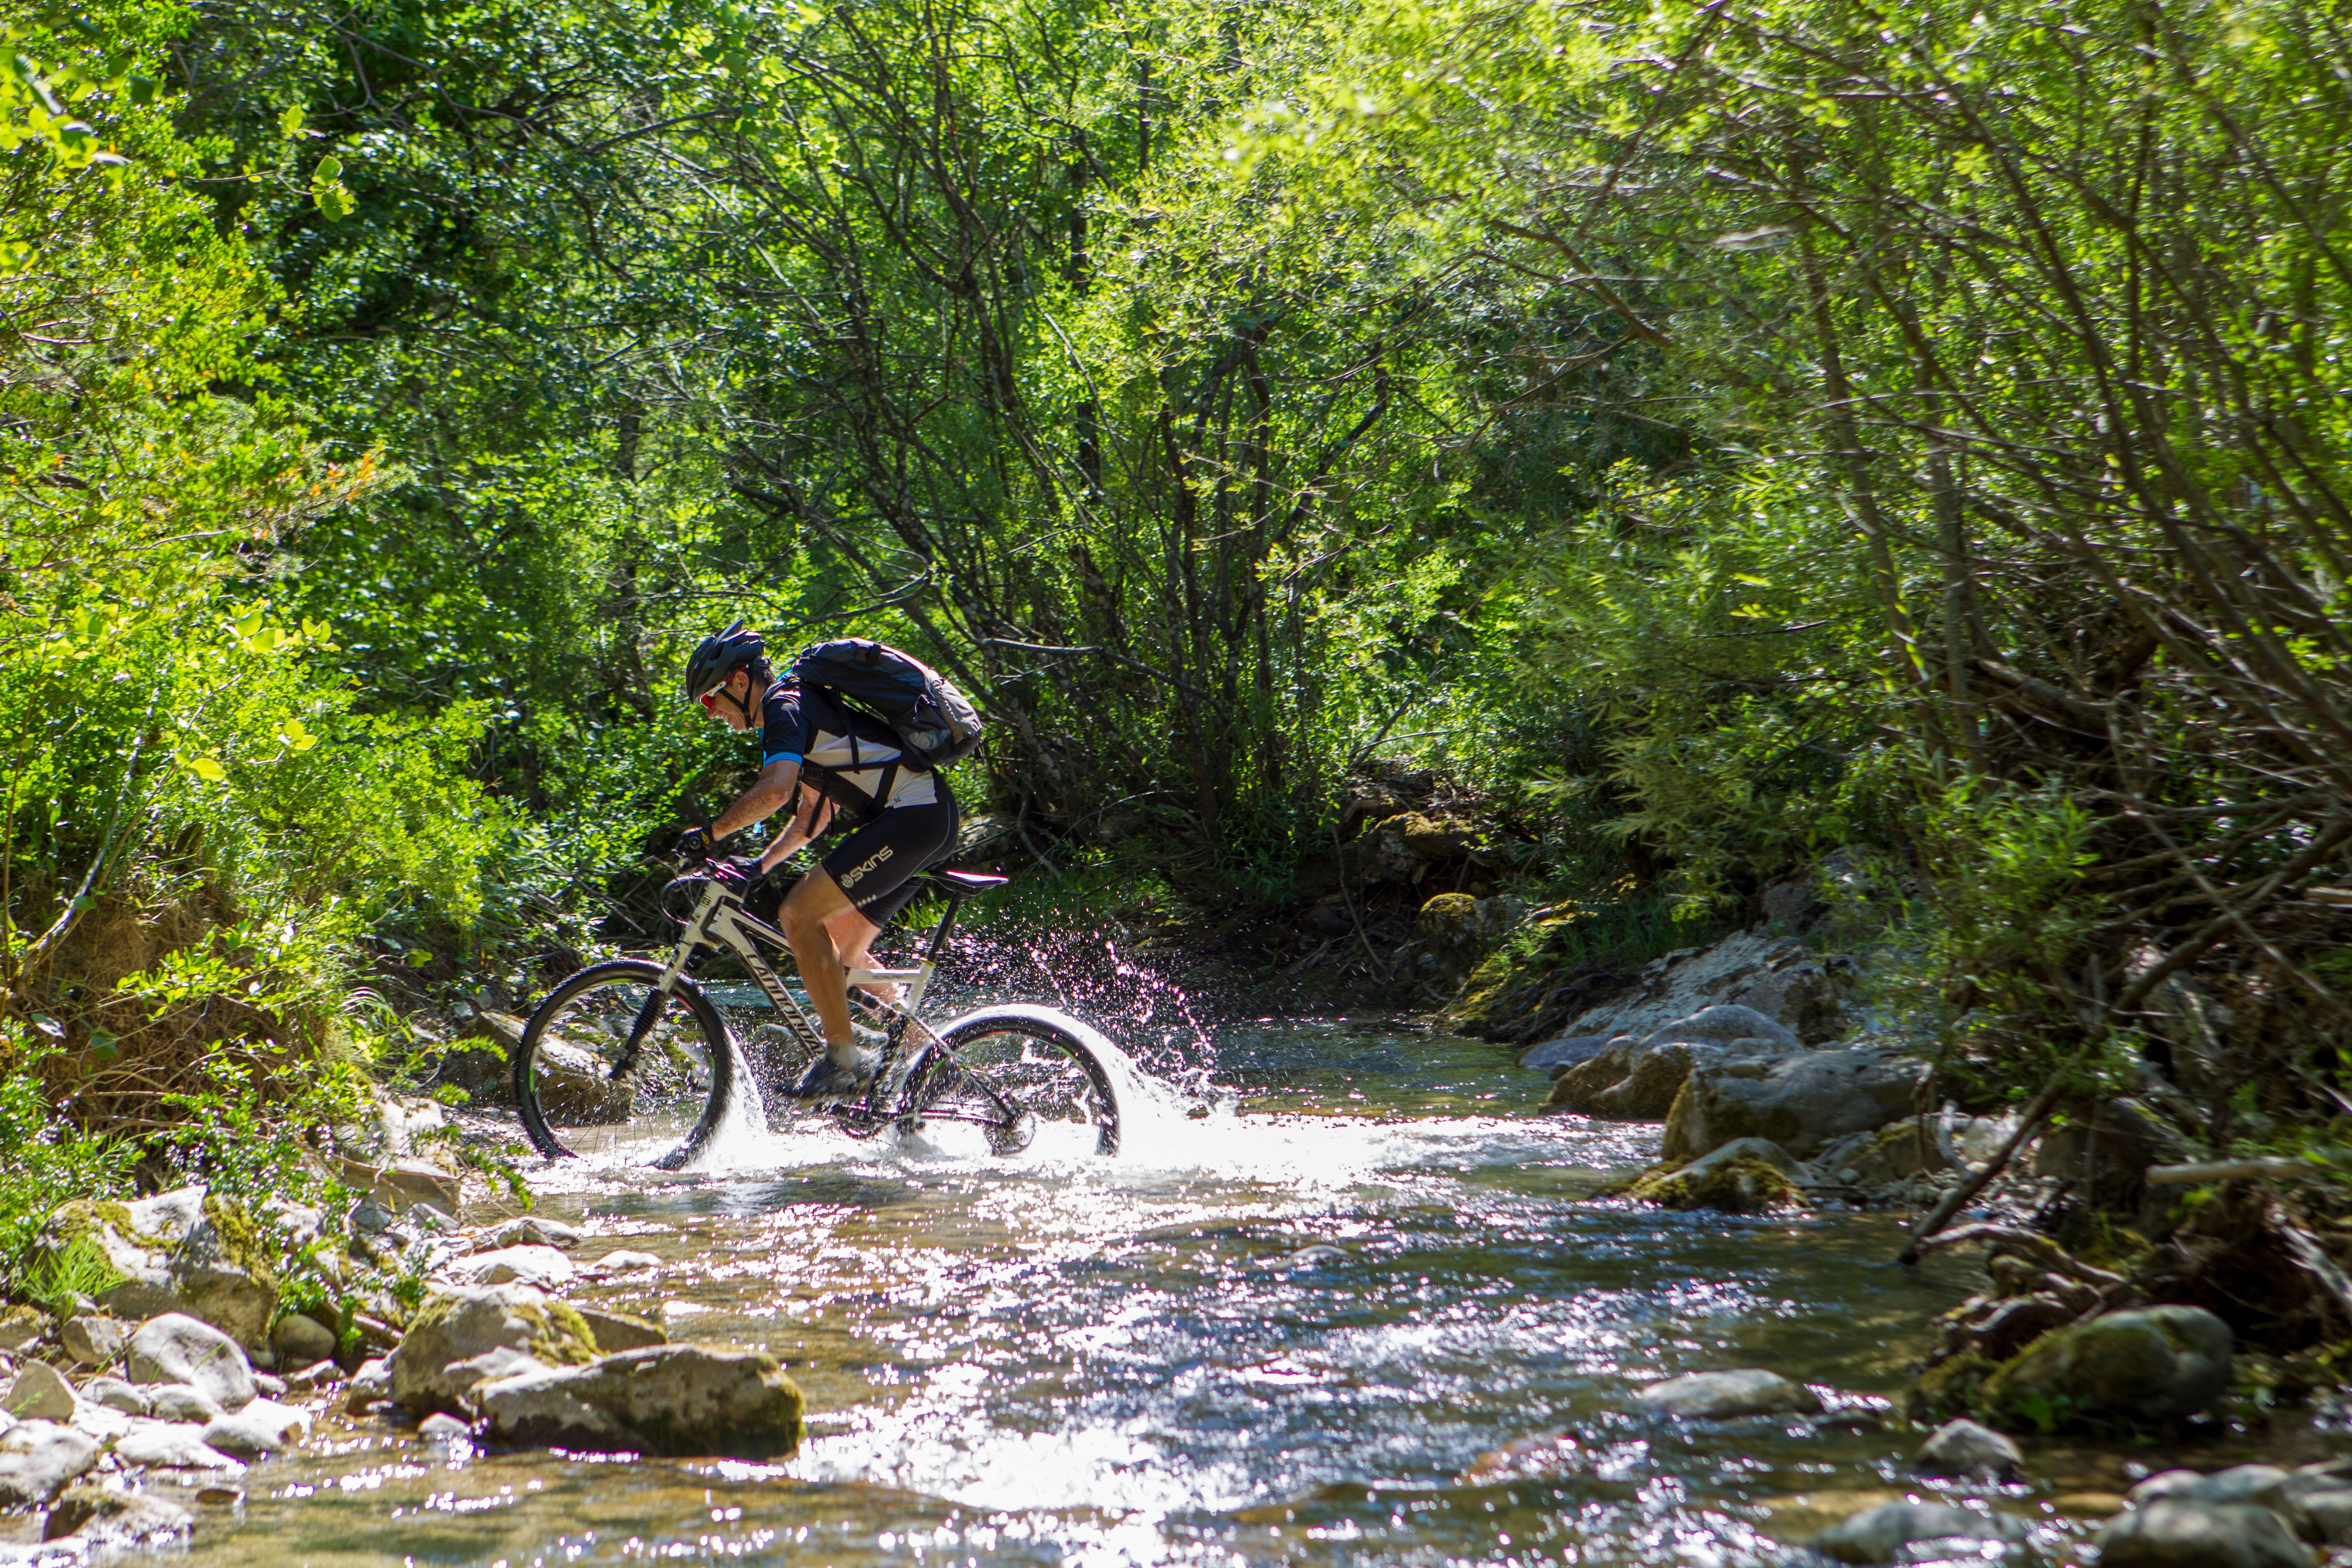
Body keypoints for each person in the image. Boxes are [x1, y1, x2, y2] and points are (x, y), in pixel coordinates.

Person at [678, 621, 960, 1102]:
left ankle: (842, 1060)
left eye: (711, 700)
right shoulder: (798, 706)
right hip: (929, 820)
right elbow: (813, 813)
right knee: (840, 954)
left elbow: (776, 791)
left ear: (740, 683)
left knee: (797, 914)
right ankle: (934, 1061)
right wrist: (760, 866)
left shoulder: (784, 709)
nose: (712, 714)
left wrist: (712, 833)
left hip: (915, 819)